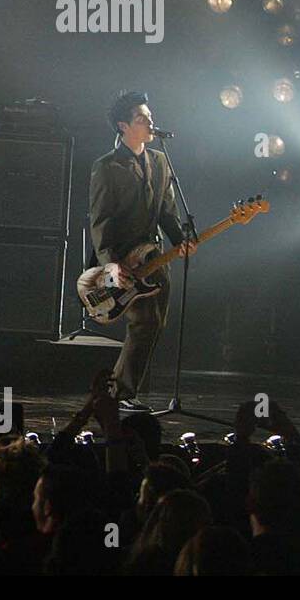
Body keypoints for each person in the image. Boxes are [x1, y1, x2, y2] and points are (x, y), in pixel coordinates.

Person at [88, 91, 195, 411]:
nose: (150, 122)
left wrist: (180, 240)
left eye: (150, 116)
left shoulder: (160, 161)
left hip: (154, 257)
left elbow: (168, 211)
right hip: (123, 258)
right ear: (123, 126)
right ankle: (120, 394)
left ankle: (120, 392)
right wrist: (110, 264)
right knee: (144, 322)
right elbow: (100, 219)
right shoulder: (107, 166)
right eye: (141, 118)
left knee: (154, 323)